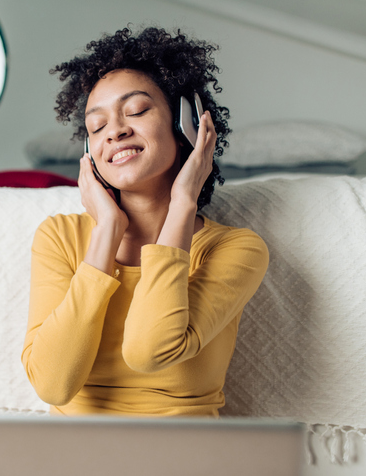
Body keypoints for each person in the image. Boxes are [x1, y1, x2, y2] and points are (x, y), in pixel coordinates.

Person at [21, 27, 269, 417]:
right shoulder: (59, 237)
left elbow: (148, 349)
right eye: (96, 127)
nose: (115, 131)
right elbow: (53, 384)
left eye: (136, 111)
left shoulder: (236, 249)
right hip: (69, 458)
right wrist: (106, 231)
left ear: (188, 125)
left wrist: (183, 202)